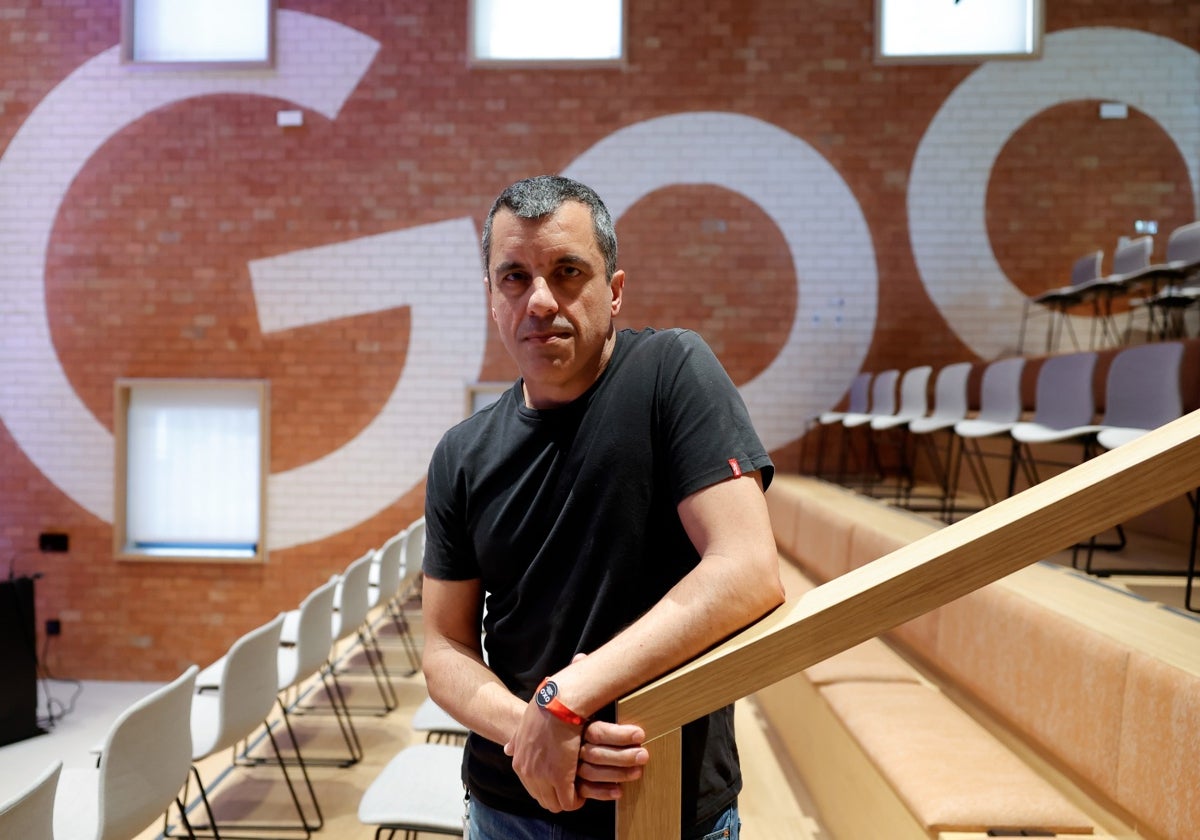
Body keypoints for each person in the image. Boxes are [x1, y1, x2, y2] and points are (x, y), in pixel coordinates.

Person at [421, 174, 784, 839]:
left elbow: (748, 568)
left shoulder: (672, 373)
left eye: (567, 272)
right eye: (514, 278)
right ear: (492, 299)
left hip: (664, 802)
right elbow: (444, 642)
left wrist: (567, 702)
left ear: (613, 291)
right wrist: (530, 727)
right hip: (508, 808)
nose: (540, 301)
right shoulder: (461, 454)